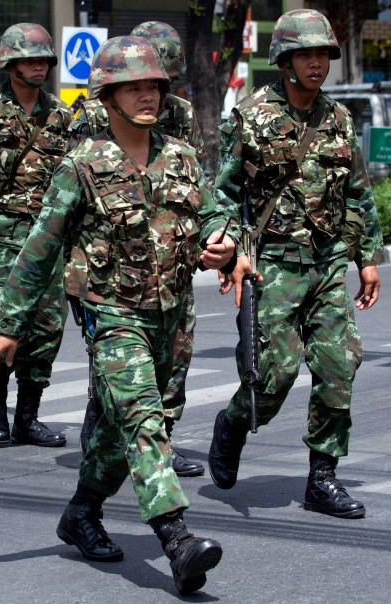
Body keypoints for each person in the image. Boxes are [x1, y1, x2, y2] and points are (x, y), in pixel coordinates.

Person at [0, 36, 235, 594]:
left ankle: (81, 512)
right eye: (133, 87)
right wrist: (6, 324)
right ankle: (178, 540)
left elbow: (218, 211)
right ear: (108, 96)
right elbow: (40, 246)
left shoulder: (182, 156)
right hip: (112, 313)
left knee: (141, 424)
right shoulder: (83, 165)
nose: (147, 96)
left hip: (174, 316)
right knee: (143, 421)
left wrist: (224, 243)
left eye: (153, 86)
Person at [209, 9, 384, 520]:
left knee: (338, 368)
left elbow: (358, 193)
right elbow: (222, 196)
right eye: (305, 54)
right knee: (275, 372)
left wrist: (368, 258)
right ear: (284, 60)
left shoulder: (340, 118)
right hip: (274, 266)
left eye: (323, 54)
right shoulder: (251, 116)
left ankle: (322, 478)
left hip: (327, 263)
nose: (316, 64)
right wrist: (234, 253)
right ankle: (234, 423)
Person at [68, 21, 208, 477]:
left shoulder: (181, 115)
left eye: (160, 79)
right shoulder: (91, 114)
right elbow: (77, 189)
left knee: (176, 351)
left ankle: (157, 438)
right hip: (108, 258)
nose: (151, 91)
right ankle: (110, 430)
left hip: (170, 253)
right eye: (141, 80)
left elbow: (195, 178)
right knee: (117, 360)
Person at [0, 23, 73, 447]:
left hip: (50, 236)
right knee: (9, 319)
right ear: (11, 64)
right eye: (30, 59)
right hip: (2, 231)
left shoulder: (60, 114)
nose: (39, 66)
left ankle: (28, 415)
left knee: (47, 326)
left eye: (43, 59)